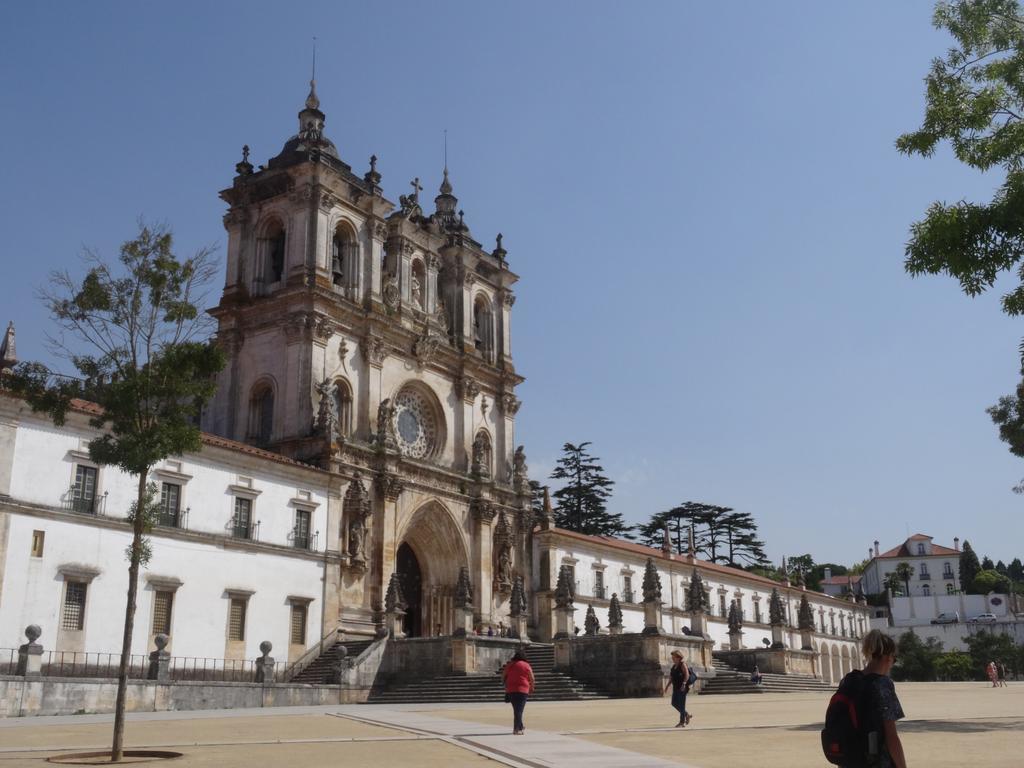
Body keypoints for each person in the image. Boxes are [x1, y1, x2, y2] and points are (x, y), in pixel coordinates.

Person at [859, 629, 907, 768]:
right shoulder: (882, 684)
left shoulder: (849, 680)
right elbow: (891, 736)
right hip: (877, 761)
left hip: (851, 759)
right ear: (888, 657)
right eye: (894, 659)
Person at [502, 649, 535, 735]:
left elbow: (503, 675)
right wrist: (532, 687)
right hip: (523, 689)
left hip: (511, 689)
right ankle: (517, 729)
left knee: (517, 709)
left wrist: (505, 684)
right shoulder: (526, 665)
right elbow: (532, 678)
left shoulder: (510, 665)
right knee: (519, 710)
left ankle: (520, 726)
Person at [663, 650, 692, 728]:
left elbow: (687, 675)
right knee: (674, 703)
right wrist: (667, 686)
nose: (672, 658)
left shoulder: (682, 665)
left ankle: (682, 722)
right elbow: (671, 677)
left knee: (681, 705)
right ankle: (687, 714)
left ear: (678, 657)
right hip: (676, 688)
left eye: (674, 657)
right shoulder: (673, 666)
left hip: (682, 688)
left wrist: (684, 684)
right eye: (672, 657)